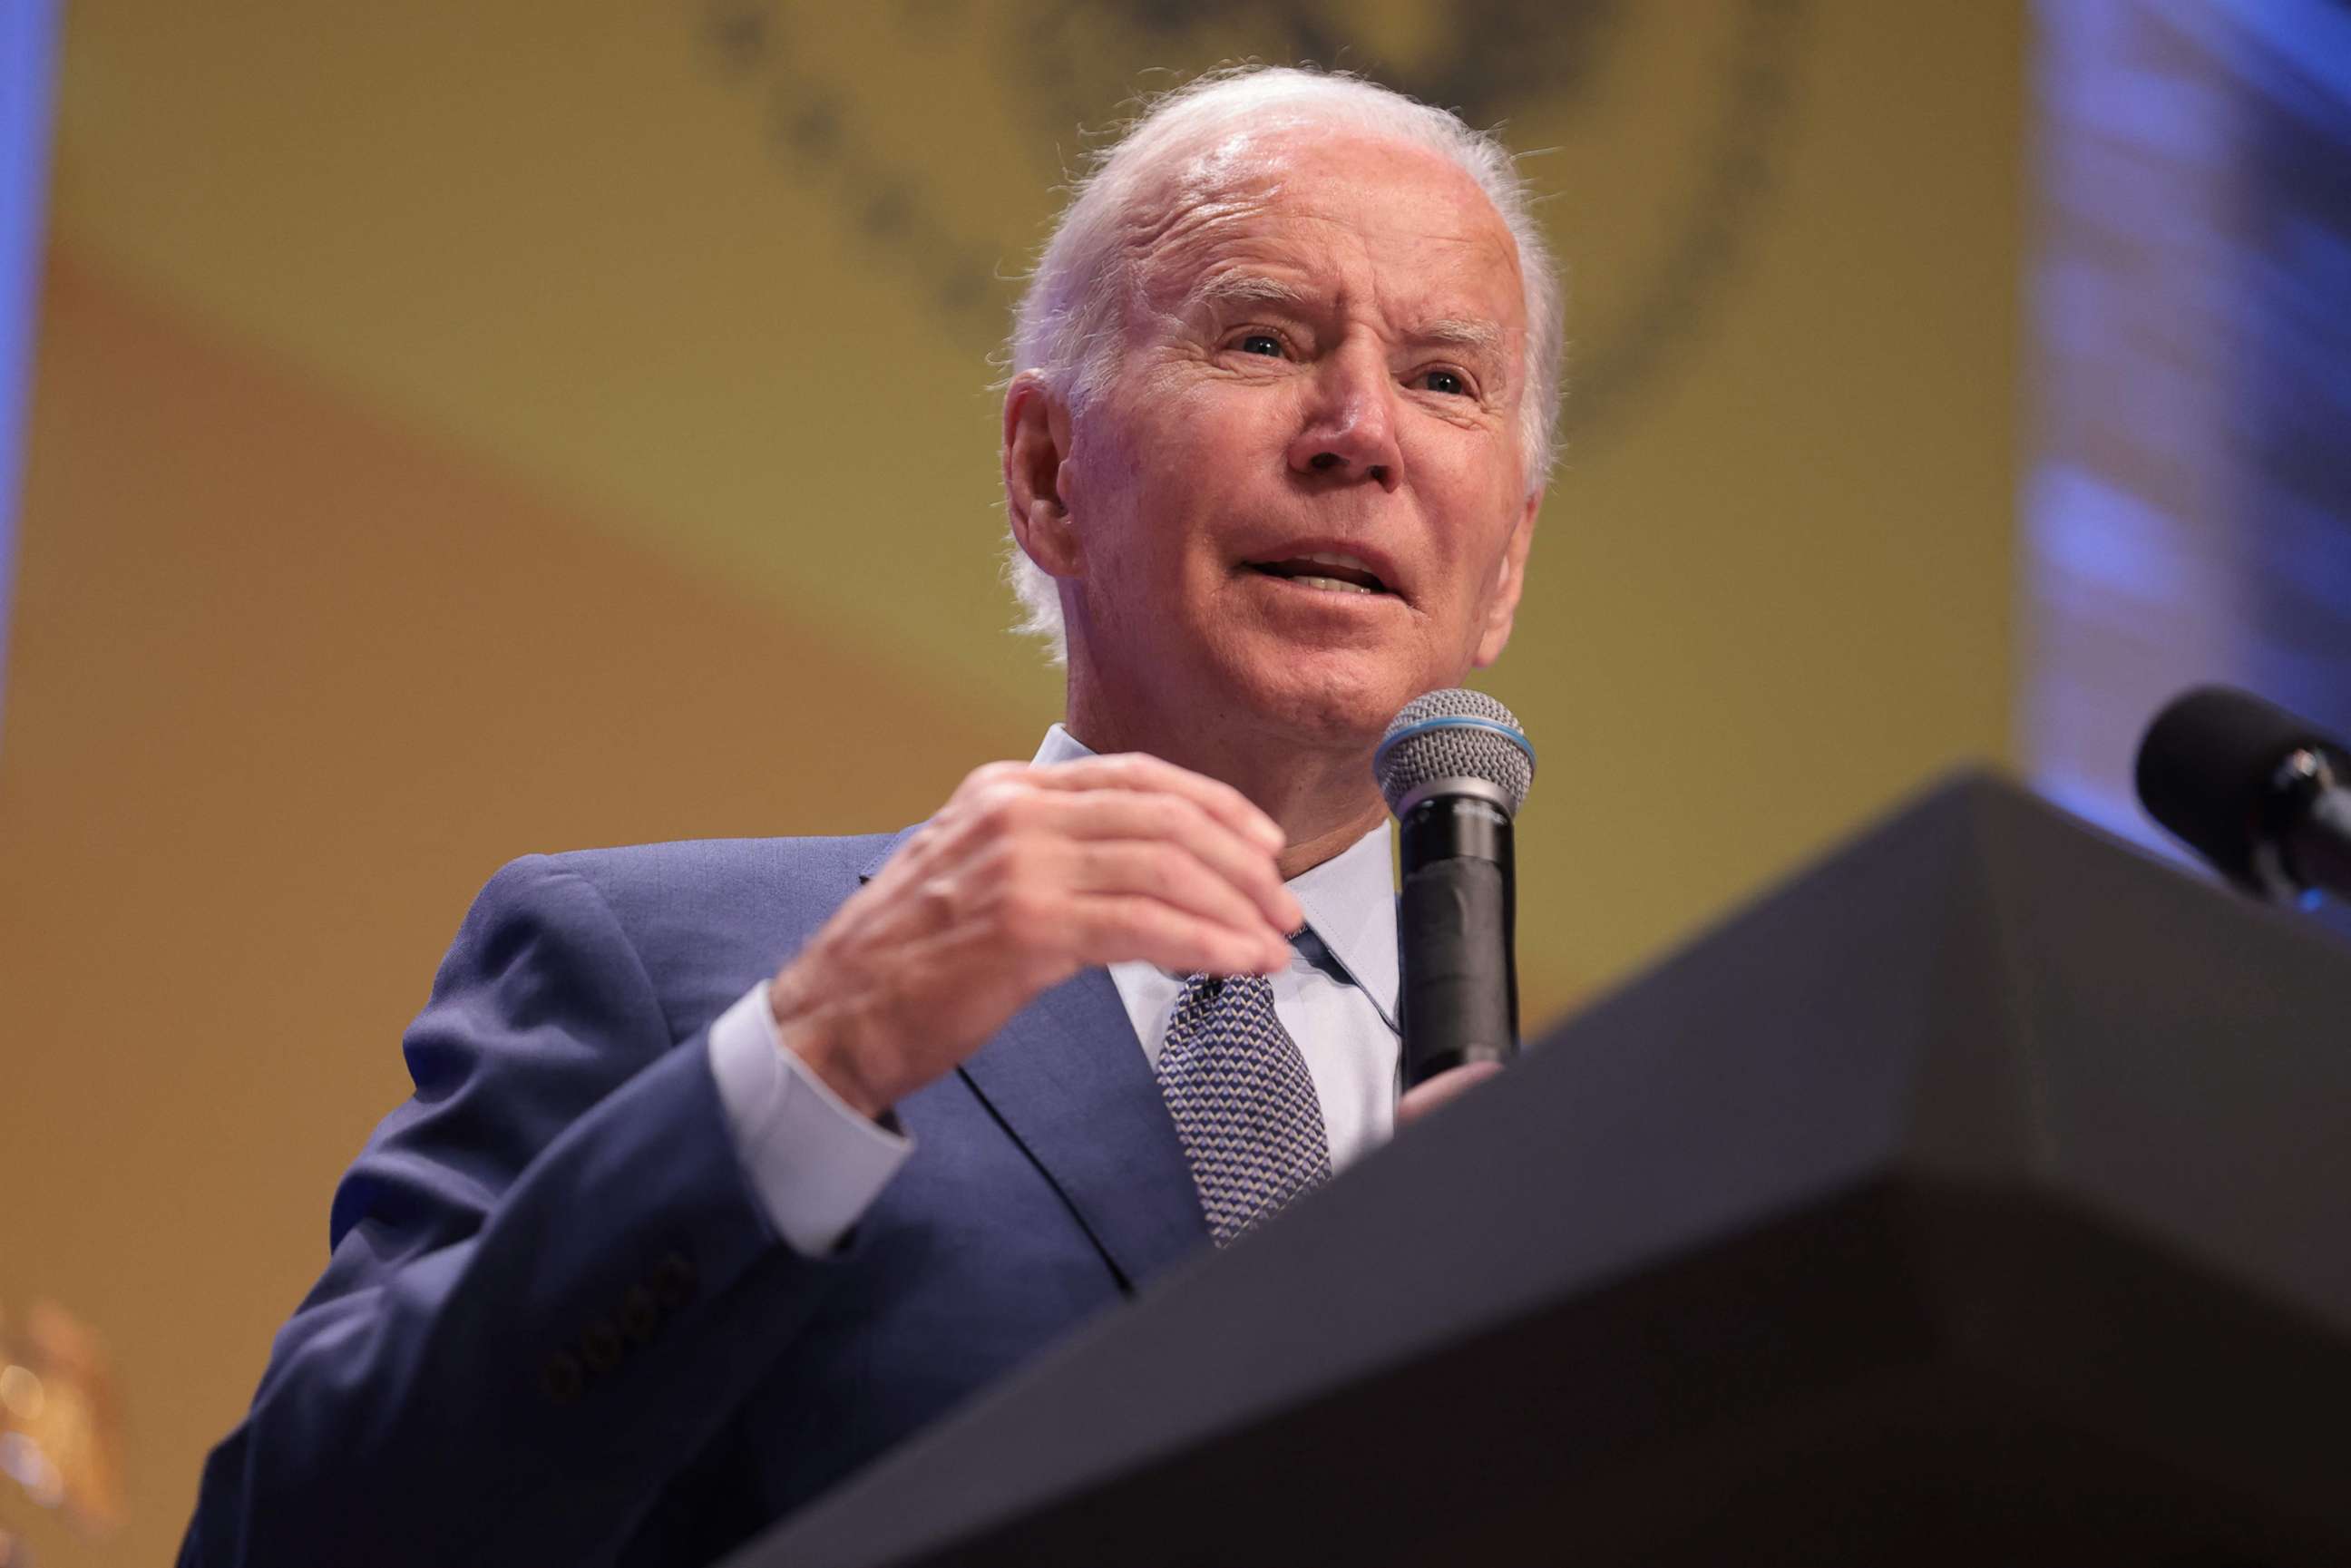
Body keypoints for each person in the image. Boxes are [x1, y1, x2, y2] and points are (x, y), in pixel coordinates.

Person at [179, 63, 1563, 1567]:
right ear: (1047, 474)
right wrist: (815, 1059)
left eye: (1444, 379)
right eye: (1262, 337)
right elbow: (293, 1541)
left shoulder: (1588, 1154)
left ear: (1504, 569)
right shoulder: (684, 977)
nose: (1358, 428)